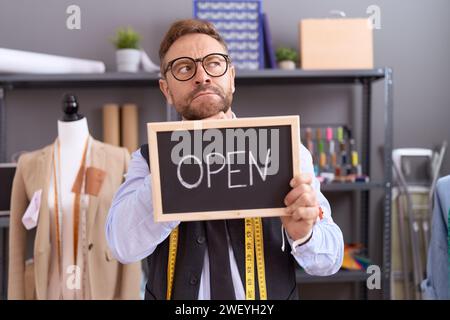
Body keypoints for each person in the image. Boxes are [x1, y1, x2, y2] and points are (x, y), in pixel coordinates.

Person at [106, 19, 344, 300]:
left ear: (231, 77)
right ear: (166, 90)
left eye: (214, 63)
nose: (202, 76)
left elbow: (330, 261)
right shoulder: (147, 161)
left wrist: (305, 235)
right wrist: (181, 162)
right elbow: (121, 245)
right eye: (184, 68)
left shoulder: (286, 149)